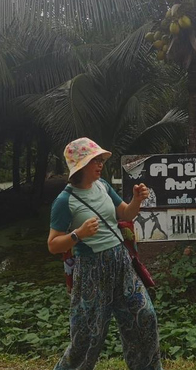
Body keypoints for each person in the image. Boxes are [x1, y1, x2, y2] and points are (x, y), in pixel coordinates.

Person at [48, 137, 162, 370]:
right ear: (80, 165)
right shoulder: (64, 201)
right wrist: (78, 234)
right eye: (94, 161)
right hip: (91, 270)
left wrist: (137, 200)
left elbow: (126, 214)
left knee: (143, 317)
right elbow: (53, 244)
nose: (100, 164)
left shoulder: (103, 186)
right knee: (86, 337)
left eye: (100, 160)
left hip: (121, 263)